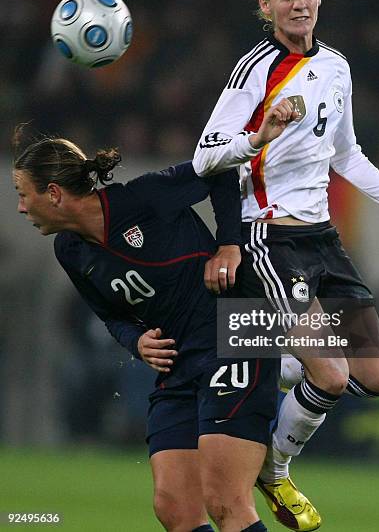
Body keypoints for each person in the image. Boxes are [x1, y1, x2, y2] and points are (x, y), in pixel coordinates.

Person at [193, 0, 379, 531]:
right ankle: (276, 470)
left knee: (378, 378)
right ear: (264, 6)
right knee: (333, 374)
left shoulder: (336, 66)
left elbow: (348, 153)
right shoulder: (253, 71)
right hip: (272, 238)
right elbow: (204, 157)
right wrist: (259, 135)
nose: (299, 4)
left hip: (323, 241)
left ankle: (259, 354)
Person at [12, 125, 279, 532]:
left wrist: (228, 244)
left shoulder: (143, 198)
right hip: (179, 363)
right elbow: (111, 315)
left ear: (53, 194)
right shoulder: (69, 250)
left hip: (233, 336)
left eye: (22, 193)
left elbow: (221, 169)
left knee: (226, 500)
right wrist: (136, 341)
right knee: (174, 508)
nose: (20, 207)